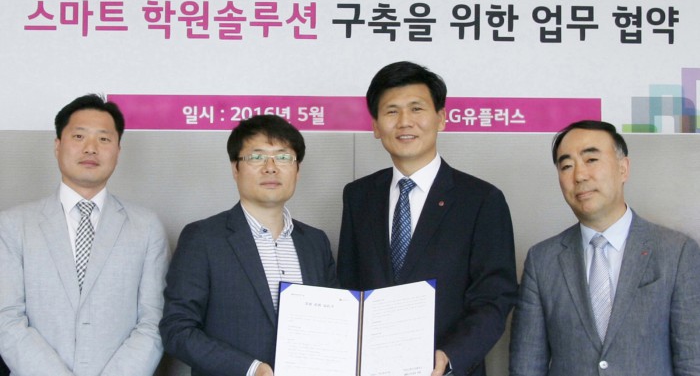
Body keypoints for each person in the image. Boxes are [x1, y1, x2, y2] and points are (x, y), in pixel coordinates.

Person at [337, 61, 518, 376]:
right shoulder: (358, 196)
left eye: (416, 108)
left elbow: (494, 298)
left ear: (441, 118)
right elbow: (347, 286)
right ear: (376, 126)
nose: (405, 122)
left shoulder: (481, 200)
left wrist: (450, 356)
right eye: (391, 111)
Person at [509, 120, 700, 376]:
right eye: (567, 166)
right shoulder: (542, 260)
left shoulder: (676, 252)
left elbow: (693, 361)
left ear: (623, 168)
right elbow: (526, 366)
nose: (579, 175)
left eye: (591, 160)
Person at [0, 94, 170, 375]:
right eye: (79, 136)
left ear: (118, 150)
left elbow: (153, 322)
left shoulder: (146, 227)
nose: (91, 148)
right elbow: (7, 319)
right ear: (57, 145)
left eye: (104, 139)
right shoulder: (12, 225)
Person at [159, 114, 339, 376]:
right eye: (256, 157)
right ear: (236, 168)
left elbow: (334, 322)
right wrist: (251, 369)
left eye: (283, 157)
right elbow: (177, 329)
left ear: (297, 170)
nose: (270, 167)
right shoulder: (203, 238)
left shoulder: (315, 242)